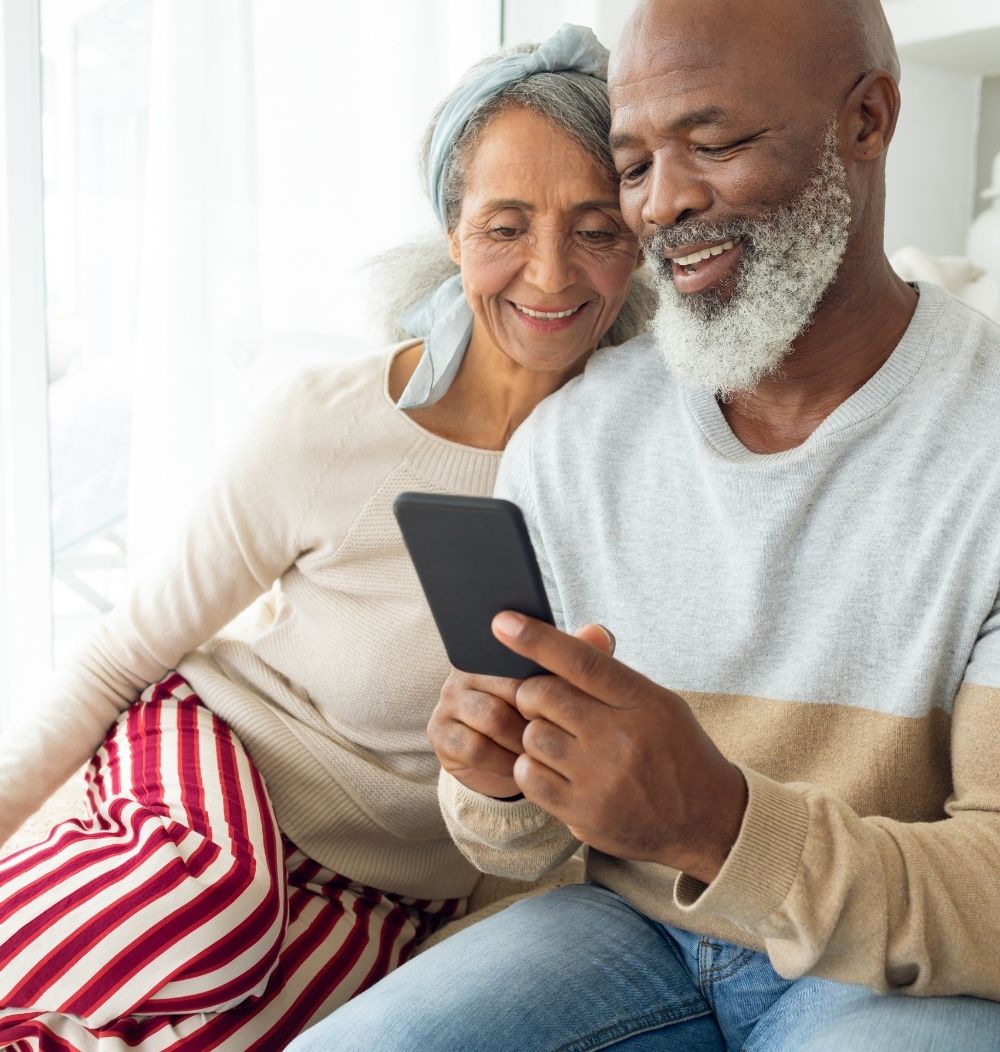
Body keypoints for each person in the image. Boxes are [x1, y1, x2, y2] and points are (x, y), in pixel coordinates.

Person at [289, 1, 1000, 1049]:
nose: (661, 206)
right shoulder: (575, 434)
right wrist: (494, 773)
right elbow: (518, 843)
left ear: (867, 120)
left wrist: (719, 824)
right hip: (631, 929)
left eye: (712, 144)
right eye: (633, 164)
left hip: (889, 969)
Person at [0, 24, 650, 1050]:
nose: (548, 271)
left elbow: (543, 813)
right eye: (504, 225)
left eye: (597, 227)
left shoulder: (640, 468)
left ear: (641, 237)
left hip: (386, 886)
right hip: (220, 765)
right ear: (451, 230)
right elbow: (119, 655)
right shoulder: (328, 419)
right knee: (211, 917)